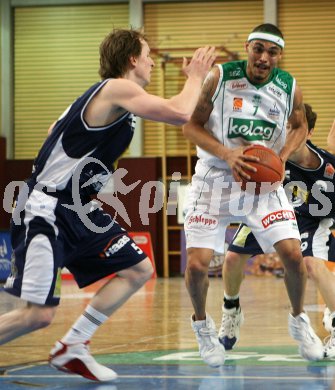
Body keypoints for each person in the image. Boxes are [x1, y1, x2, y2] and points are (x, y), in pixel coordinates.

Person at [0, 29, 215, 382]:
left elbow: (54, 128)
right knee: (36, 315)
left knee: (138, 269)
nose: (149, 61)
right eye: (146, 55)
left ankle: (74, 345)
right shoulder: (117, 87)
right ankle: (71, 343)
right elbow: (179, 113)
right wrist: (194, 77)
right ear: (132, 59)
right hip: (46, 209)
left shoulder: (103, 98)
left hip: (77, 209)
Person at [182, 23, 324, 368]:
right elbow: (191, 125)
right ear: (248, 48)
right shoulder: (219, 78)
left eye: (272, 52)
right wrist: (228, 154)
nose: (264, 57)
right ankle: (202, 325)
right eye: (258, 49)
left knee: (293, 255)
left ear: (279, 55)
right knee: (198, 265)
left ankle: (297, 320)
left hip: (263, 184)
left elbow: (300, 125)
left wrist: (283, 156)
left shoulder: (289, 86)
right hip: (217, 176)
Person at [221, 103, 335, 359]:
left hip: (307, 220)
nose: (286, 134)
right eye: (282, 129)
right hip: (267, 210)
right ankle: (231, 309)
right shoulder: (267, 157)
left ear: (308, 133)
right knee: (231, 259)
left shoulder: (327, 167)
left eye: (293, 129)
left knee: (312, 265)